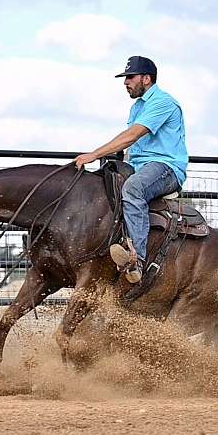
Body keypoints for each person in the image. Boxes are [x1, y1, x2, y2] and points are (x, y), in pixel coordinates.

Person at [74, 55, 188, 283]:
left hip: (165, 167)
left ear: (146, 79)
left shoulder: (163, 102)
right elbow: (132, 144)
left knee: (134, 188)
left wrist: (95, 154)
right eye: (125, 78)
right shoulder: (137, 107)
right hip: (138, 165)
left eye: (130, 77)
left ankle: (138, 260)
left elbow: (132, 136)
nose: (126, 82)